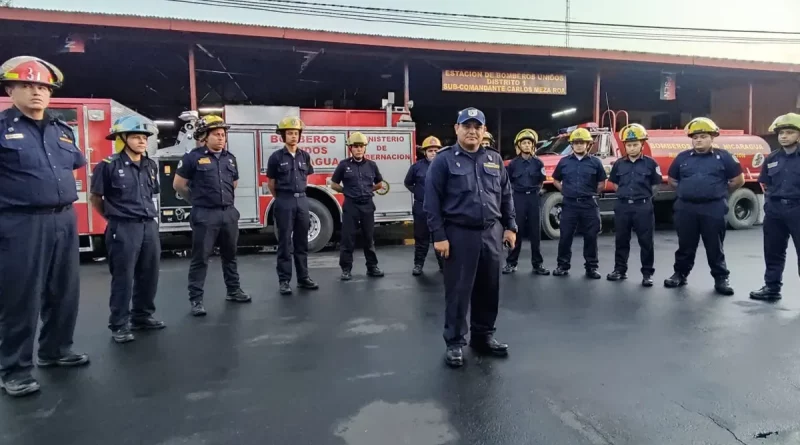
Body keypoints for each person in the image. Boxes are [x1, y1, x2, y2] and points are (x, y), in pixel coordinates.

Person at [0, 56, 90, 397]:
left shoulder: (62, 131)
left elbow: (74, 167)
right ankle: (15, 369)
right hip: (20, 222)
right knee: (20, 296)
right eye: (27, 85)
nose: (36, 92)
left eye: (42, 87)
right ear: (10, 89)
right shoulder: (1, 128)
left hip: (64, 219)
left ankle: (56, 350)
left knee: (64, 290)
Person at [424, 107, 517, 368]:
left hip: (491, 232)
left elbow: (506, 195)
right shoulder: (443, 161)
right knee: (458, 291)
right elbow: (431, 202)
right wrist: (439, 236)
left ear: (484, 131)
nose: (472, 131)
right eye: (467, 126)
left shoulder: (494, 160)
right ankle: (454, 343)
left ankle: (483, 336)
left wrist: (510, 227)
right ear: (457, 129)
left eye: (477, 126)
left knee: (490, 288)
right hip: (458, 234)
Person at [90, 116, 165, 343]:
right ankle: (119, 324)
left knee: (149, 274)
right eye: (136, 137)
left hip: (148, 226)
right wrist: (114, 217)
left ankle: (142, 316)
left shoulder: (150, 165)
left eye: (144, 137)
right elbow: (96, 198)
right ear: (122, 139)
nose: (142, 141)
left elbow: (152, 194)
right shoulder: (107, 165)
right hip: (123, 227)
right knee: (123, 277)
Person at [174, 115, 251, 316]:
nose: (221, 138)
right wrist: (198, 202)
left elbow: (233, 183)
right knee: (201, 258)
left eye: (223, 134)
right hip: (205, 215)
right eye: (216, 134)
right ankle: (196, 300)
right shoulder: (192, 158)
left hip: (228, 214)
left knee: (230, 255)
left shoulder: (230, 158)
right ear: (204, 136)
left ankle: (234, 290)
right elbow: (179, 185)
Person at [664, 117, 744, 295]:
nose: (698, 140)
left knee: (714, 245)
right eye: (695, 137)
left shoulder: (724, 157)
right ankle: (680, 274)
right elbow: (672, 180)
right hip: (686, 208)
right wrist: (689, 191)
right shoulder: (682, 157)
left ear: (712, 137)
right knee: (685, 245)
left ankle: (721, 279)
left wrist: (717, 191)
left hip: (713, 207)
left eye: (702, 136)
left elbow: (738, 180)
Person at [266, 116, 319, 295]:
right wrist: (281, 198)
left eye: (296, 133)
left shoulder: (305, 156)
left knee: (301, 242)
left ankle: (303, 278)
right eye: (289, 133)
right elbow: (271, 183)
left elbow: (306, 177)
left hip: (303, 201)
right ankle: (284, 281)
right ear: (283, 136)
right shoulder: (276, 157)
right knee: (284, 243)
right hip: (284, 200)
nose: (293, 136)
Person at [750, 113, 800, 301]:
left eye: (789, 132)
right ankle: (772, 288)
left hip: (798, 209)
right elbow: (765, 183)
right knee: (773, 252)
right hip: (775, 210)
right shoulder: (771, 158)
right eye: (781, 133)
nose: (784, 136)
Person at [606, 124, 662, 287]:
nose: (631, 148)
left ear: (642, 145)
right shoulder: (619, 164)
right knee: (621, 240)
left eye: (635, 144)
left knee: (646, 241)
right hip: (623, 206)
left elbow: (656, 186)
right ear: (625, 146)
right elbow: (616, 184)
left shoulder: (651, 164)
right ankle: (620, 270)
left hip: (643, 207)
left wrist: (642, 198)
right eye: (629, 145)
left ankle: (647, 273)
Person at [551, 128, 607, 278]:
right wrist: (565, 191)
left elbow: (602, 182)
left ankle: (591, 268)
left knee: (591, 237)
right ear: (572, 145)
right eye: (576, 143)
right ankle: (562, 266)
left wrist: (590, 193)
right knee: (565, 236)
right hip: (569, 204)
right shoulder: (564, 162)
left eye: (582, 143)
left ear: (588, 144)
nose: (579, 145)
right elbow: (555, 179)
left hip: (589, 204)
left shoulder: (595, 162)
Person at [330, 132, 386, 281]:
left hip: (367, 205)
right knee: (348, 239)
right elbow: (334, 184)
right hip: (351, 206)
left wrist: (368, 190)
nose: (359, 149)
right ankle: (346, 269)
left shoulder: (371, 165)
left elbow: (379, 183)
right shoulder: (344, 165)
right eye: (355, 147)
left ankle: (372, 267)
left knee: (368, 238)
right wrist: (346, 191)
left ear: (365, 148)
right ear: (351, 148)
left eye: (361, 146)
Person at [503, 129, 549, 276]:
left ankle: (538, 264)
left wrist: (534, 191)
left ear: (533, 145)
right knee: (517, 230)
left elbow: (541, 181)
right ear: (519, 145)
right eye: (524, 143)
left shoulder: (538, 163)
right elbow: (508, 182)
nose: (527, 145)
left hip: (533, 198)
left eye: (529, 143)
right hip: (518, 198)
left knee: (535, 233)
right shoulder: (513, 164)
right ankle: (511, 263)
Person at [404, 136, 445, 275]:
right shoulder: (416, 167)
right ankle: (418, 265)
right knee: (421, 238)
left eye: (435, 150)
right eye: (430, 150)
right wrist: (418, 193)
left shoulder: (444, 166)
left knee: (440, 237)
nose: (433, 153)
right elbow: (408, 182)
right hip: (421, 207)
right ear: (424, 152)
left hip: (440, 209)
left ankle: (443, 265)